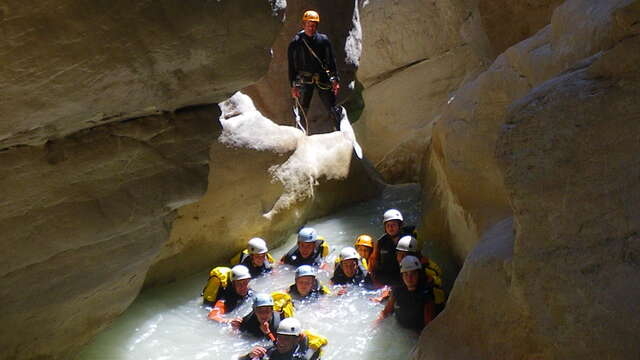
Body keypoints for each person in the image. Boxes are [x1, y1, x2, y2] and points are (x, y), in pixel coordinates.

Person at [288, 10, 341, 131]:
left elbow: (331, 61)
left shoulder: (323, 40)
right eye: (309, 24)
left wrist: (335, 79)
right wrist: (293, 86)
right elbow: (292, 66)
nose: (311, 27)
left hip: (322, 78)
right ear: (304, 24)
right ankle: (299, 134)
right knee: (302, 110)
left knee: (332, 108)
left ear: (317, 26)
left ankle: (339, 132)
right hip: (305, 80)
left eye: (314, 25)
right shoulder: (296, 43)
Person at [376, 256, 436, 332]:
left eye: (413, 274)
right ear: (402, 276)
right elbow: (386, 312)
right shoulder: (397, 289)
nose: (409, 279)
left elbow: (429, 326)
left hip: (415, 333)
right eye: (406, 274)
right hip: (398, 330)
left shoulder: (425, 293)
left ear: (419, 275)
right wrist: (376, 323)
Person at [368, 209, 417, 287]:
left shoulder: (409, 240)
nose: (390, 228)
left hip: (404, 276)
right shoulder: (381, 242)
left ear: (399, 225)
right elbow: (374, 263)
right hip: (387, 278)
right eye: (388, 225)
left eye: (393, 225)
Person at [240, 318, 327, 360]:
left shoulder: (304, 356)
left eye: (287, 339)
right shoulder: (270, 351)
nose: (281, 343)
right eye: (280, 338)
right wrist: (249, 356)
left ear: (297, 340)